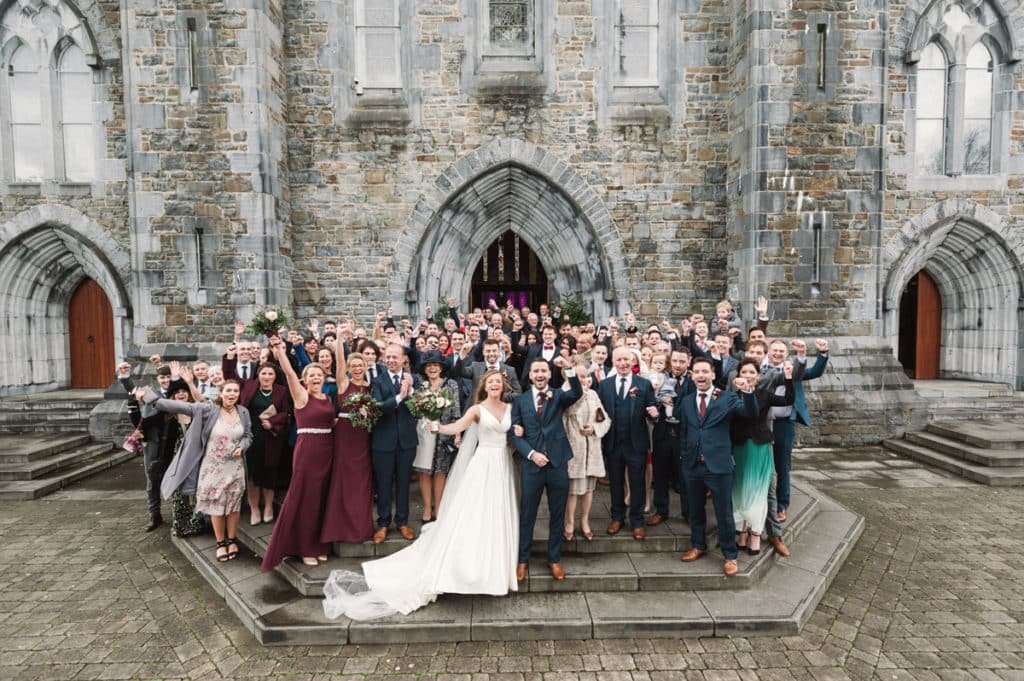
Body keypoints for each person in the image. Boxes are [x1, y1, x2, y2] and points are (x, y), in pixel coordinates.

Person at [322, 371, 520, 620]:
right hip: (483, 466)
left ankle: (496, 566)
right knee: (476, 512)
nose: (494, 385)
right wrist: (437, 426)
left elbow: (514, 432)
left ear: (503, 386)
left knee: (498, 512)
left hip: (502, 465)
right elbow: (457, 427)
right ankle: (469, 566)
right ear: (485, 385)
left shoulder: (511, 407)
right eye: (490, 382)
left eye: (497, 382)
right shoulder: (477, 409)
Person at [146, 379, 253, 562]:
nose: (232, 394)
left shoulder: (243, 412)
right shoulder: (209, 409)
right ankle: (220, 543)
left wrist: (242, 446)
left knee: (233, 507)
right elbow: (181, 406)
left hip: (235, 468)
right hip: (212, 468)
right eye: (228, 390)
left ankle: (232, 540)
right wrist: (149, 397)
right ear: (221, 392)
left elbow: (248, 435)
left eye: (235, 391)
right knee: (216, 507)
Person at [677, 357, 758, 576]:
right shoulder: (686, 401)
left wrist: (749, 391)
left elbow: (750, 413)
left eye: (705, 371)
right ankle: (698, 545)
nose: (701, 375)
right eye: (696, 372)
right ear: (692, 375)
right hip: (693, 465)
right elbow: (685, 430)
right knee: (695, 510)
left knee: (724, 513)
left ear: (713, 374)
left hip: (719, 465)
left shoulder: (728, 397)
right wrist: (685, 457)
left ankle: (730, 556)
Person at [261, 338, 336, 570]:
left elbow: (331, 421)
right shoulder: (301, 396)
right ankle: (305, 547)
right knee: (307, 499)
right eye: (311, 375)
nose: (316, 378)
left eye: (319, 375)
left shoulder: (327, 397)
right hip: (308, 451)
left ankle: (318, 543)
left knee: (322, 498)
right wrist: (280, 351)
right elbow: (290, 374)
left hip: (328, 449)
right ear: (305, 380)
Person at [509, 356, 583, 581]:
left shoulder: (559, 395)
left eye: (544, 371)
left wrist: (569, 369)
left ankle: (554, 559)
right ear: (530, 375)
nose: (540, 375)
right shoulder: (520, 401)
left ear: (549, 374)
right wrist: (531, 454)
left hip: (557, 463)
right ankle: (522, 560)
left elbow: (577, 392)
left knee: (557, 514)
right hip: (532, 465)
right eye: (536, 371)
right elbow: (513, 433)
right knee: (528, 514)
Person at [730, 359, 793, 554]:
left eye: (751, 372)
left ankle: (756, 533)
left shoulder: (764, 394)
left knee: (757, 492)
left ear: (758, 376)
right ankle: (742, 530)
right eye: (744, 372)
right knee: (740, 490)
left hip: (759, 447)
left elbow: (788, 400)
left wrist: (789, 377)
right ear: (738, 376)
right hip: (740, 448)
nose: (748, 375)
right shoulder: (732, 397)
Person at [597, 347, 659, 539]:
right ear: (613, 362)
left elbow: (652, 407)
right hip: (613, 442)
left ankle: (637, 521)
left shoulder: (644, 384)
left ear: (633, 362)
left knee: (637, 483)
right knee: (615, 482)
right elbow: (599, 413)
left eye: (626, 359)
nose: (623, 363)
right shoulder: (605, 385)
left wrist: (655, 413)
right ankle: (617, 517)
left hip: (636, 443)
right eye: (619, 360)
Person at [320, 343, 375, 545]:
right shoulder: (343, 383)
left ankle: (360, 527)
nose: (358, 368)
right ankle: (339, 527)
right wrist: (340, 340)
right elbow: (340, 363)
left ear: (366, 367)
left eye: (361, 365)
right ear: (350, 368)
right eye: (354, 365)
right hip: (344, 434)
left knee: (362, 480)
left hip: (363, 435)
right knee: (342, 478)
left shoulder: (371, 387)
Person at [370, 343, 420, 543]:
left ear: (403, 359)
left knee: (403, 483)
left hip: (407, 441)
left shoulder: (413, 379)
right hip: (383, 442)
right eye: (387, 357)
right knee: (383, 484)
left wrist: (412, 390)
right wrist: (400, 396)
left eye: (394, 357)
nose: (390, 360)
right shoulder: (377, 381)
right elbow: (378, 408)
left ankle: (402, 521)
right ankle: (383, 524)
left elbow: (420, 406)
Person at [412, 351, 462, 523]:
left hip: (443, 433)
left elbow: (456, 411)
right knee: (424, 472)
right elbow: (415, 410)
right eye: (429, 365)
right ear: (425, 369)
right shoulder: (421, 385)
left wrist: (457, 433)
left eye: (435, 365)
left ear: (441, 368)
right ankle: (427, 508)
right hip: (423, 433)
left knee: (440, 471)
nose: (432, 368)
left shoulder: (451, 385)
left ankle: (439, 507)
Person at [562, 366, 610, 542]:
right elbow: (570, 411)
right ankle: (569, 522)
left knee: (589, 489)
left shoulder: (593, 395)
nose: (585, 379)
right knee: (573, 490)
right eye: (580, 376)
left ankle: (584, 521)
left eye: (586, 376)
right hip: (574, 448)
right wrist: (579, 390)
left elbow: (603, 418)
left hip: (592, 448)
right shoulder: (564, 393)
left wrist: (594, 428)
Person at [240, 364, 291, 525]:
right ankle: (255, 508)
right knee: (252, 476)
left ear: (275, 376)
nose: (267, 376)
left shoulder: (281, 391)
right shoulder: (249, 386)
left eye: (270, 373)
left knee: (269, 474)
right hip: (251, 436)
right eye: (264, 373)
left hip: (271, 437)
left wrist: (272, 422)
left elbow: (286, 412)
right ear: (258, 374)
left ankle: (268, 507)